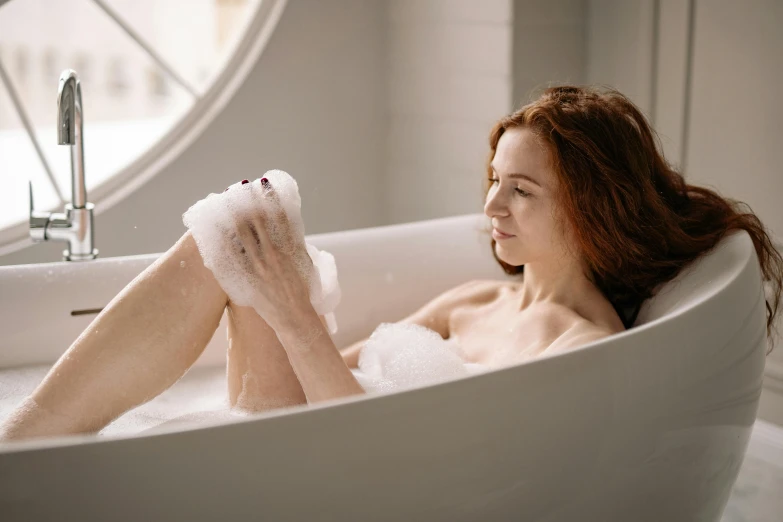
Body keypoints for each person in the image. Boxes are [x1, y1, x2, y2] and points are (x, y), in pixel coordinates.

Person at [2, 85, 781, 442]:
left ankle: (32, 448)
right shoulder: (471, 301)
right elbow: (329, 385)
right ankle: (30, 442)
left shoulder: (577, 345)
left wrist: (291, 310)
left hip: (340, 483)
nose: (492, 207)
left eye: (522, 190)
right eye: (492, 182)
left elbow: (389, 451)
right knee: (239, 226)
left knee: (249, 245)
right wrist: (279, 298)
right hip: (288, 445)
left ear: (588, 203)